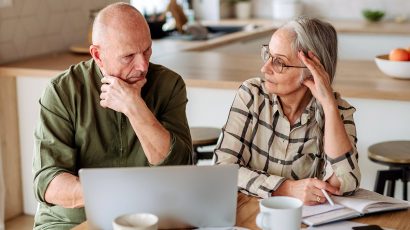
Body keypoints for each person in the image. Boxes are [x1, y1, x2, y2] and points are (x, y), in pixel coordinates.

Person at [32, 3, 192, 229]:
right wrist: (115, 192)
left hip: (150, 217)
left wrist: (134, 106)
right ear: (98, 55)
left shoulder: (169, 85)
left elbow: (180, 170)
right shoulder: (61, 91)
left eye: (146, 50)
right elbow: (48, 182)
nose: (143, 65)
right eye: (128, 56)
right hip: (73, 222)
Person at [214, 17, 361, 205]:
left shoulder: (339, 110)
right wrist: (286, 188)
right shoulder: (252, 95)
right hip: (249, 210)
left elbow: (345, 182)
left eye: (279, 62)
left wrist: (329, 105)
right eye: (268, 55)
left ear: (311, 71)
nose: (264, 68)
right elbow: (223, 168)